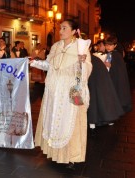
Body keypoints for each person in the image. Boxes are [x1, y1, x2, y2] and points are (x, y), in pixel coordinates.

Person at [30, 19, 92, 167]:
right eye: (60, 28)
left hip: (70, 92)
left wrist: (82, 62)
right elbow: (49, 65)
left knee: (69, 122)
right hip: (53, 91)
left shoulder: (81, 47)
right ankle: (54, 153)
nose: (60, 31)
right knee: (53, 121)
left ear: (73, 31)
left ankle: (71, 156)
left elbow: (87, 70)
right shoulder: (56, 46)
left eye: (64, 28)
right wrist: (33, 62)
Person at [87, 54, 124, 135]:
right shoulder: (95, 58)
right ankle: (107, 119)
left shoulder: (94, 58)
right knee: (102, 99)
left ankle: (97, 121)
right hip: (101, 81)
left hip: (96, 82)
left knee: (96, 100)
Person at [104, 35, 132, 113]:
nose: (108, 47)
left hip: (116, 78)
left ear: (115, 45)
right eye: (106, 45)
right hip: (113, 77)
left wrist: (110, 66)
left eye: (110, 45)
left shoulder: (115, 55)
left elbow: (117, 68)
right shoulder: (110, 54)